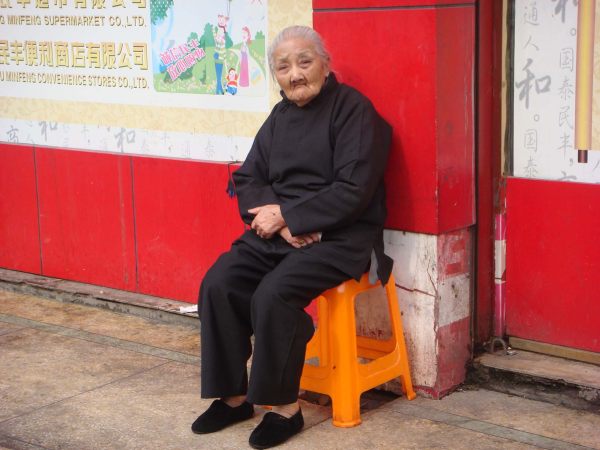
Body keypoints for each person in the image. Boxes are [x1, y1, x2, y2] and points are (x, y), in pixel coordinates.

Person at [192, 25, 393, 449]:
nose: (295, 74)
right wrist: (284, 222)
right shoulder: (279, 116)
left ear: (325, 64)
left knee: (274, 294)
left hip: (339, 236)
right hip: (283, 230)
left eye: (304, 62)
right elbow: (249, 177)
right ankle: (233, 397)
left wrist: (291, 217)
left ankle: (285, 408)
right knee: (219, 283)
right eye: (283, 68)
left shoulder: (354, 111)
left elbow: (354, 188)